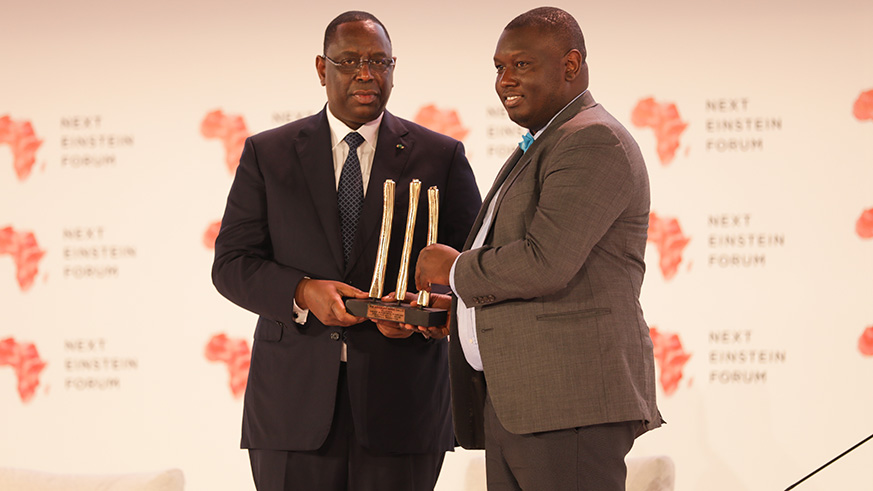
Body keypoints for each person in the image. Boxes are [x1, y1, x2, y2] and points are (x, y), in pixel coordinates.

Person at [211, 11, 481, 491]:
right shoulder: (268, 154)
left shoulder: (441, 157)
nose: (366, 73)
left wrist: (426, 315)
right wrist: (301, 291)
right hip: (291, 409)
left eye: (379, 61)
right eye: (350, 61)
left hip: (404, 407)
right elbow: (232, 264)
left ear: (393, 69)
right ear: (322, 68)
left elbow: (474, 272)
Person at [412, 7, 663, 491]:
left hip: (569, 406)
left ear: (571, 65)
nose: (504, 80)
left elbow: (545, 262)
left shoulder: (593, 139)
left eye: (521, 64)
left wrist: (456, 270)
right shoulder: (546, 142)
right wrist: (460, 311)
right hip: (524, 405)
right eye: (499, 67)